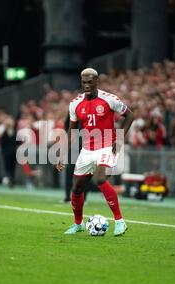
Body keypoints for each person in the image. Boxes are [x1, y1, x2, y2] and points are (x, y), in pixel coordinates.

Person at [56, 68, 134, 236]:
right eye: (83, 82)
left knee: (100, 179)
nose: (86, 85)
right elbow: (72, 131)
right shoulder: (75, 104)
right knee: (76, 188)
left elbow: (130, 116)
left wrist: (119, 138)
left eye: (90, 82)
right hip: (87, 150)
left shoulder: (109, 99)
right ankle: (78, 224)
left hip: (107, 146)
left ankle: (120, 222)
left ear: (97, 81)